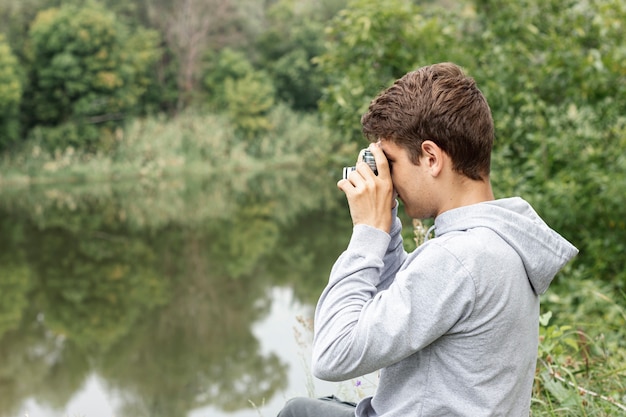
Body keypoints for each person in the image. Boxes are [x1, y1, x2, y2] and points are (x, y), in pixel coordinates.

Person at [277, 62, 578, 417]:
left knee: (298, 413)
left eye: (390, 162)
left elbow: (332, 354)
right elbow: (399, 304)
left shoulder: (459, 258)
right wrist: (386, 226)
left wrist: (367, 235)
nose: (386, 176)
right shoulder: (499, 241)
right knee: (314, 407)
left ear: (432, 158)